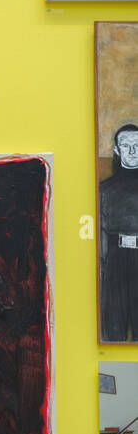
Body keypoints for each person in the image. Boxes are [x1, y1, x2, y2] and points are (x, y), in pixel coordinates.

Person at [100, 123, 138, 341]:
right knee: (114, 330)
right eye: (126, 145)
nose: (132, 151)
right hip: (116, 261)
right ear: (117, 150)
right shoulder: (104, 190)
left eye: (137, 145)